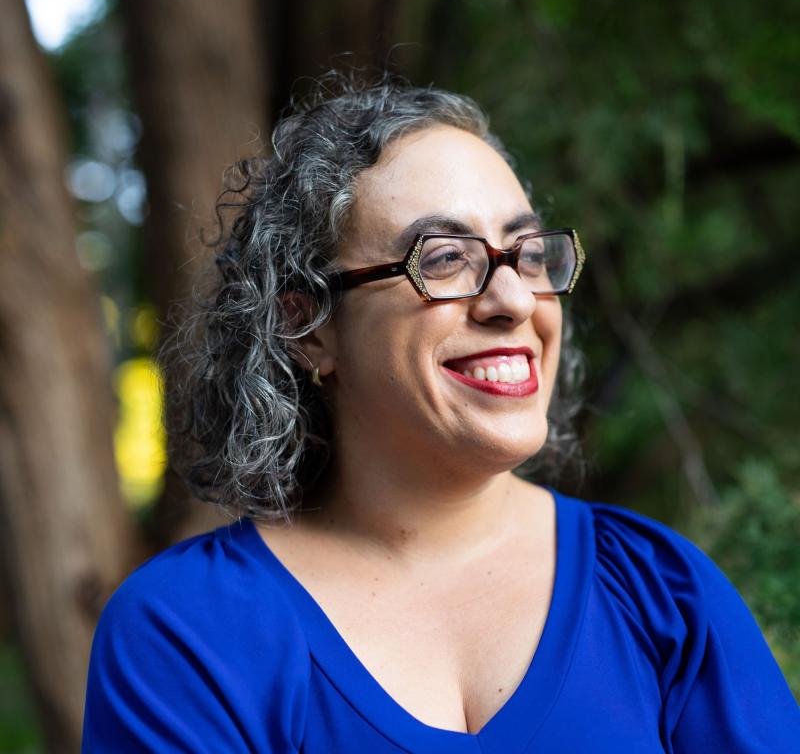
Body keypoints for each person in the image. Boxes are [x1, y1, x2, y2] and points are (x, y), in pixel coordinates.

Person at [82, 74, 800, 753]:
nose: (514, 301)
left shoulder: (664, 597)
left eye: (525, 254)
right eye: (446, 257)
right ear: (311, 329)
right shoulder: (188, 633)